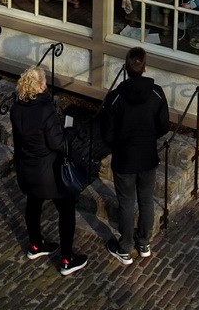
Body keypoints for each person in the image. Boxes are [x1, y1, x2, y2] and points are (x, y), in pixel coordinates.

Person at [9, 66, 88, 276]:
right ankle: (66, 258)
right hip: (49, 173)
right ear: (42, 86)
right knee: (66, 210)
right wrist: (70, 132)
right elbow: (57, 144)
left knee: (33, 203)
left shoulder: (16, 108)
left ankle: (35, 245)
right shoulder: (45, 110)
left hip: (28, 168)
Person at [100, 47, 170, 265]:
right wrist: (149, 138)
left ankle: (126, 247)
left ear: (126, 68)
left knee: (127, 203)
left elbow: (107, 133)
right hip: (147, 156)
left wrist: (119, 144)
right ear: (145, 67)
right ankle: (144, 243)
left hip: (125, 158)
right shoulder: (157, 93)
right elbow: (164, 125)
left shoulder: (114, 98)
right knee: (146, 201)